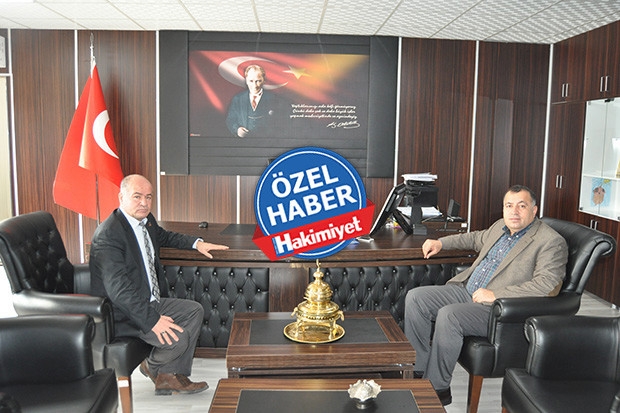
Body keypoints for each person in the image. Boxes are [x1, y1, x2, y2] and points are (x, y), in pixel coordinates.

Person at [404, 185, 568, 406]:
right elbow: (474, 238)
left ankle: (436, 389)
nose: (514, 211)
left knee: (449, 316)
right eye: (509, 206)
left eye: (522, 206)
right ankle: (417, 372)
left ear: (534, 210)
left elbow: (547, 286)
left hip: (498, 309)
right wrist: (441, 243)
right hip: (466, 290)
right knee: (416, 298)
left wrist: (495, 294)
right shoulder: (501, 227)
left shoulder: (550, 241)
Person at [89, 174, 229, 395]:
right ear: (121, 197)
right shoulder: (108, 236)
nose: (144, 203)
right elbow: (119, 291)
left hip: (149, 299)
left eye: (148, 197)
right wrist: (153, 320)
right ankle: (153, 366)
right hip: (123, 313)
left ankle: (169, 376)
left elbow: (165, 236)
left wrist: (196, 243)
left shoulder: (146, 220)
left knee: (194, 311)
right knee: (179, 338)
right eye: (137, 197)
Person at [225, 64, 284, 138]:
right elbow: (231, 119)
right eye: (251, 81)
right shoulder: (238, 99)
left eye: (258, 81)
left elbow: (280, 123)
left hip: (266, 141)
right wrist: (237, 130)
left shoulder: (274, 99)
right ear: (246, 81)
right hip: (243, 142)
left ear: (264, 80)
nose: (255, 85)